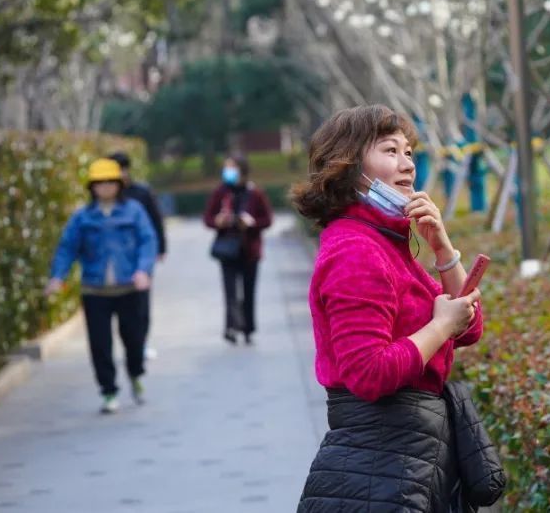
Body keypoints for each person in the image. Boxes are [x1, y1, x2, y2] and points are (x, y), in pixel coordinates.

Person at [292, 105, 484, 512]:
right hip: (380, 463)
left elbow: (468, 328)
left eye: (409, 152)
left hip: (407, 459)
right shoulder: (355, 250)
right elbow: (368, 373)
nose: (408, 164)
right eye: (390, 150)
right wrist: (440, 327)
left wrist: (443, 248)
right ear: (348, 166)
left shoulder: (385, 241)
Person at [46, 158, 157, 414]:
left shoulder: (134, 211)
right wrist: (57, 277)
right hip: (95, 290)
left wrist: (143, 270)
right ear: (92, 187)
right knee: (100, 343)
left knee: (134, 337)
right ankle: (108, 391)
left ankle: (135, 373)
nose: (105, 187)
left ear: (119, 184)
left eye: (110, 182)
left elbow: (147, 241)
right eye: (100, 183)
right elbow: (67, 248)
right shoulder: (83, 217)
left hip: (129, 287)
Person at [202, 155, 273, 345]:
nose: (228, 171)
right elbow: (208, 218)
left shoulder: (255, 192)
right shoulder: (221, 192)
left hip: (249, 249)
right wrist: (218, 221)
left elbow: (267, 219)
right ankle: (231, 327)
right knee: (230, 292)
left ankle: (248, 328)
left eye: (232, 167)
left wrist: (251, 223)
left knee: (249, 291)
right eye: (226, 168)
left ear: (242, 169)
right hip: (227, 249)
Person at [108, 150, 165, 360]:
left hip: (142, 257)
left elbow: (156, 222)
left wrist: (160, 249)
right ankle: (129, 344)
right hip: (117, 261)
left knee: (142, 302)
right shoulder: (104, 198)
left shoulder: (142, 193)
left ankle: (141, 343)